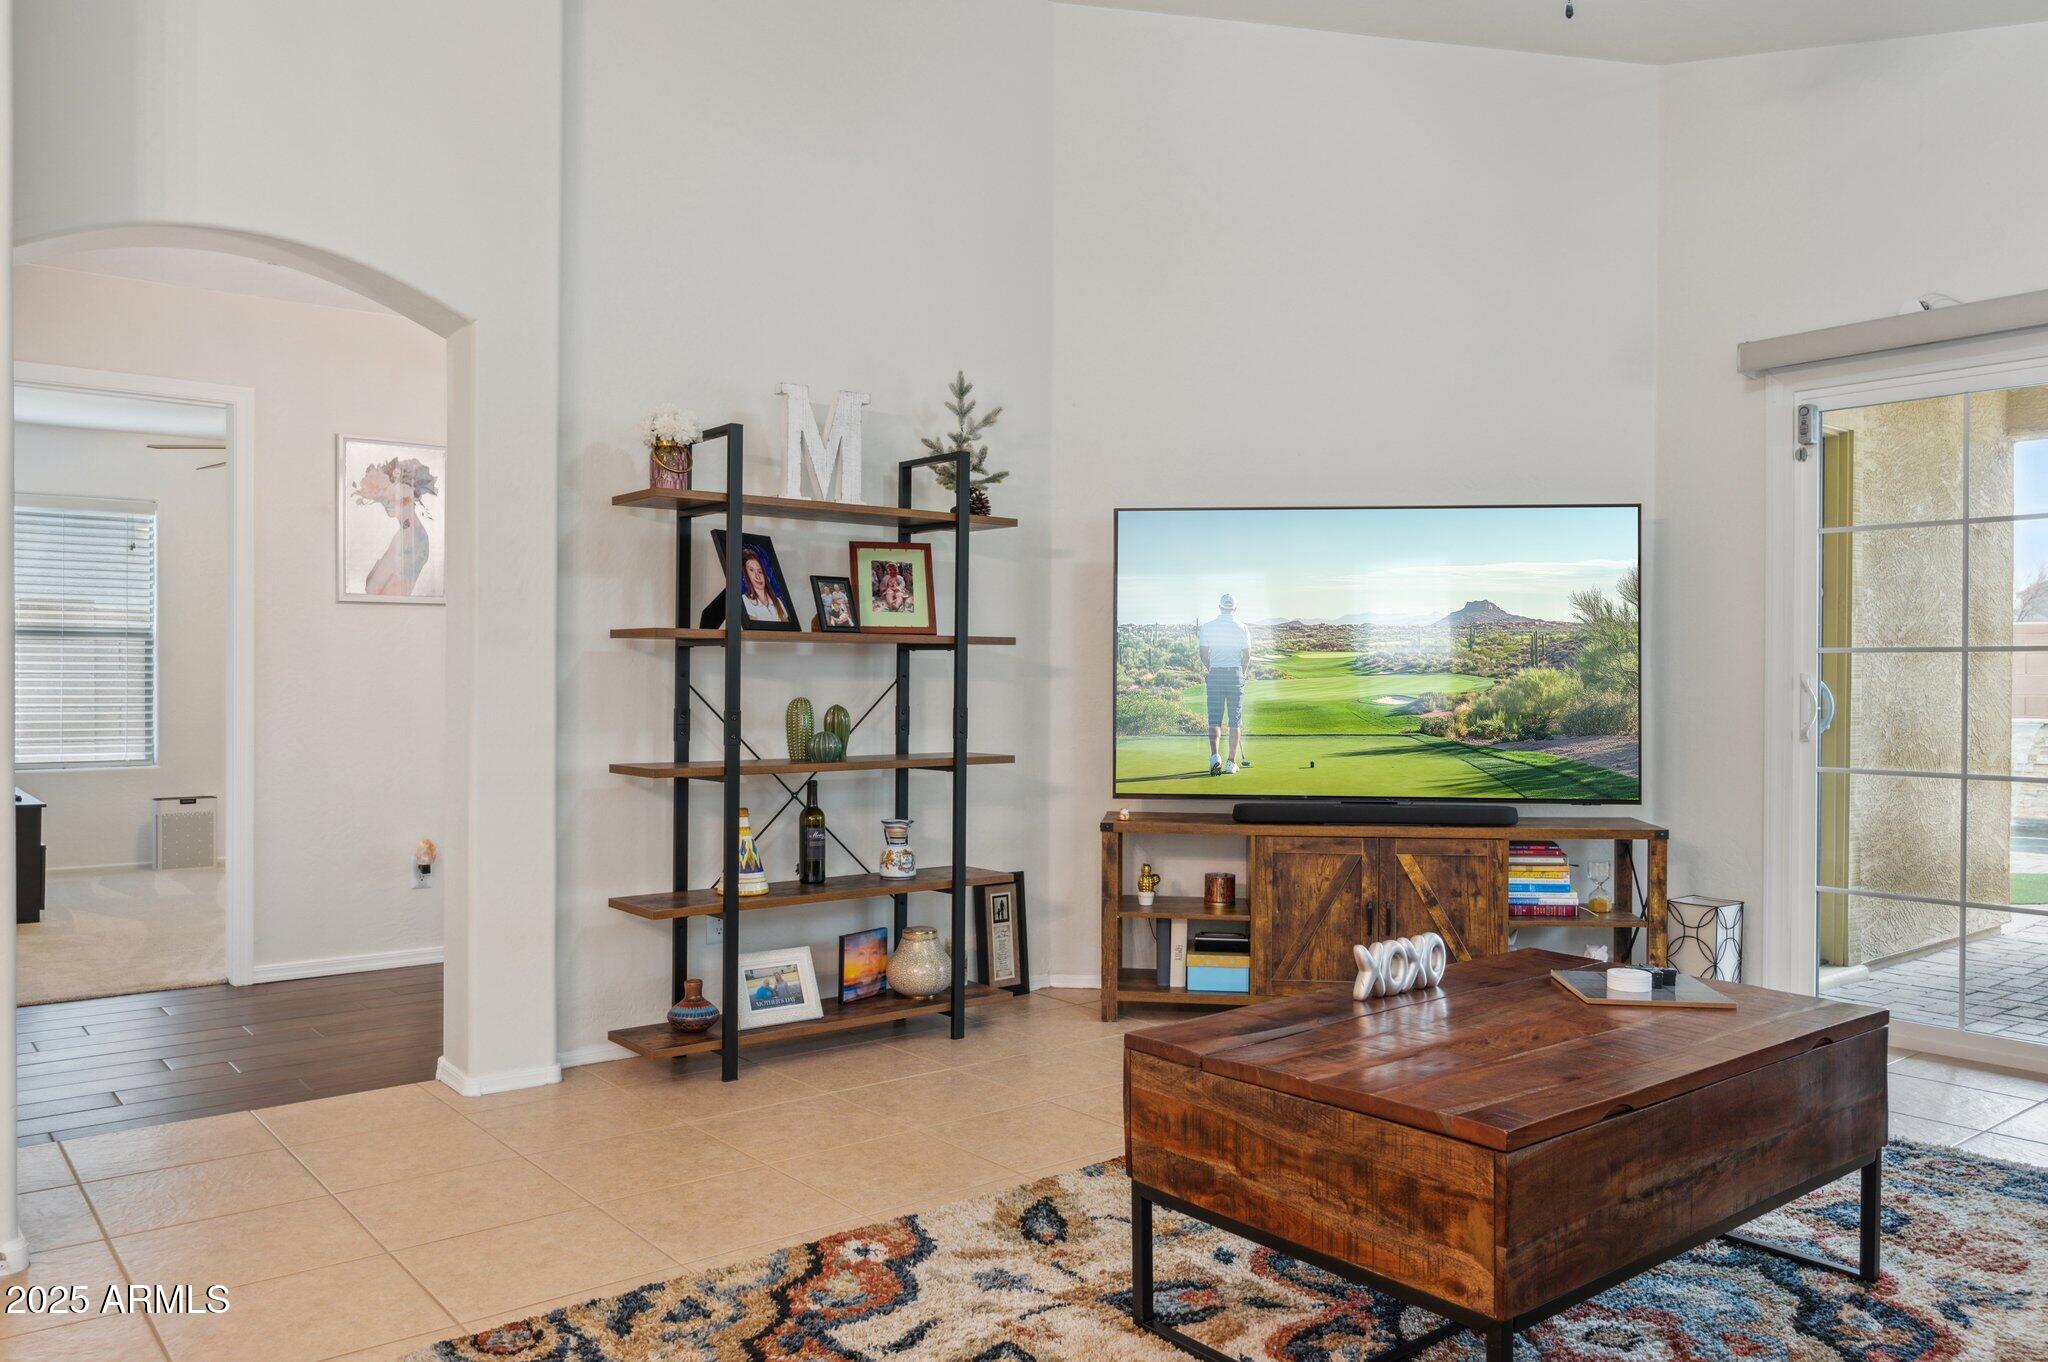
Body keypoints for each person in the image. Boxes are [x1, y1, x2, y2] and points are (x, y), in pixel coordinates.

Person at [1199, 593, 1253, 775]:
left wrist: (1211, 667)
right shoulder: (1242, 627)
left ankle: (1215, 757)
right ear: (1235, 608)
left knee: (1214, 719)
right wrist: (1242, 673)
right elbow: (1247, 655)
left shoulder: (1207, 627)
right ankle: (1231, 762)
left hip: (1215, 674)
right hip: (1235, 675)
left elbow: (1203, 654)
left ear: (1220, 607)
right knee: (1234, 720)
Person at [740, 547, 790, 623]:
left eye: (760, 571)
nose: (757, 576)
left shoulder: (778, 601)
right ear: (746, 575)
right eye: (751, 570)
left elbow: (787, 629)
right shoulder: (744, 600)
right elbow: (755, 629)